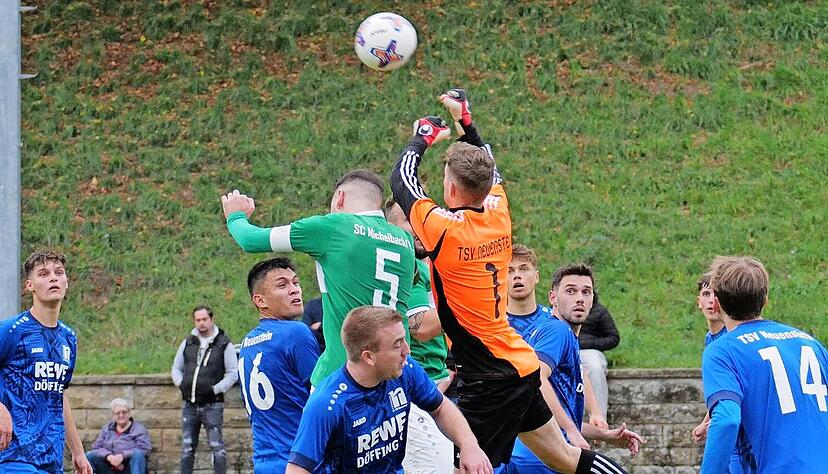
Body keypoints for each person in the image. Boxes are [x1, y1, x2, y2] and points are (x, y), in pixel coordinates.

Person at [389, 88, 626, 474]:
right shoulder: (498, 212)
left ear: (450, 189)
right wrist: (466, 121)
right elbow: (488, 165)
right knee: (566, 459)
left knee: (463, 467)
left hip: (487, 378)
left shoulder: (444, 230)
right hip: (516, 363)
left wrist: (423, 136)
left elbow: (401, 180)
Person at [221, 169, 417, 387]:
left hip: (345, 372)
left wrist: (235, 215)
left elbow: (250, 239)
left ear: (340, 198)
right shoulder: (404, 239)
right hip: (397, 369)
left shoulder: (334, 226)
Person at [285, 306, 491, 474]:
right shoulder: (327, 403)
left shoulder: (405, 369)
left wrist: (468, 444)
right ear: (368, 356)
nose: (407, 351)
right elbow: (297, 469)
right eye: (397, 344)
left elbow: (440, 407)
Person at [498, 248, 643, 473]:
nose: (579, 298)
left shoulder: (558, 331)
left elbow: (552, 414)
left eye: (586, 292)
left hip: (533, 451)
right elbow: (535, 378)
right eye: (571, 291)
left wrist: (601, 430)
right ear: (553, 297)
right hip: (542, 456)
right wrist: (571, 431)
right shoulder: (557, 331)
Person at [700, 256, 828, 473]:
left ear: (717, 302)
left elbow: (727, 420)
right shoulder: (810, 343)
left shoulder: (722, 350)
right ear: (765, 299)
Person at [0, 250, 92, 473]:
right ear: (29, 285)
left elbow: (57, 395)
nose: (53, 278)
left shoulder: (68, 338)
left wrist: (78, 452)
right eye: (44, 274)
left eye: (58, 273)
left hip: (51, 458)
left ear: (66, 282)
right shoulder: (12, 331)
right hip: (13, 457)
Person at [385, 199, 454, 473]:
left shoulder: (432, 267)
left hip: (434, 381)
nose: (418, 227)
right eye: (408, 220)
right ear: (390, 228)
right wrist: (469, 303)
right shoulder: (409, 266)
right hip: (416, 388)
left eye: (421, 219)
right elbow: (420, 327)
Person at [238, 258, 320, 473]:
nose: (294, 290)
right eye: (282, 285)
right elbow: (322, 396)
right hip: (301, 463)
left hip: (264, 462)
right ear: (260, 300)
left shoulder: (247, 343)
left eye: (296, 282)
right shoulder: (295, 332)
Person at [691, 273, 748, 474]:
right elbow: (724, 390)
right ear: (698, 302)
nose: (711, 300)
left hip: (740, 434)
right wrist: (706, 422)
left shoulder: (731, 338)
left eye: (716, 294)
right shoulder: (711, 338)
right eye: (706, 294)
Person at [171, 306, 239, 474]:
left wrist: (215, 390)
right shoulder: (188, 342)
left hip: (213, 405)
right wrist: (182, 384)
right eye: (198, 320)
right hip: (189, 404)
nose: (201, 323)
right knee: (187, 447)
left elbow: (233, 373)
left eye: (204, 319)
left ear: (211, 319)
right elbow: (176, 368)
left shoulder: (224, 344)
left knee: (217, 447)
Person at [577, 296, 619, 418]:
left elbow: (613, 337)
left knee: (595, 367)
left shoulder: (599, 311)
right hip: (564, 349)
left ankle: (599, 419)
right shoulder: (557, 309)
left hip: (591, 352)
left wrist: (588, 344)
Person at [85, 398, 151, 473]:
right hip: (108, 467)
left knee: (138, 454)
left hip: (129, 468)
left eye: (124, 412)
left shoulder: (139, 429)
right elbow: (96, 447)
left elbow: (145, 449)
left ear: (129, 413)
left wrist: (122, 456)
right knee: (89, 455)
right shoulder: (107, 429)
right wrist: (109, 457)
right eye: (117, 413)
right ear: (113, 415)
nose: (121, 415)